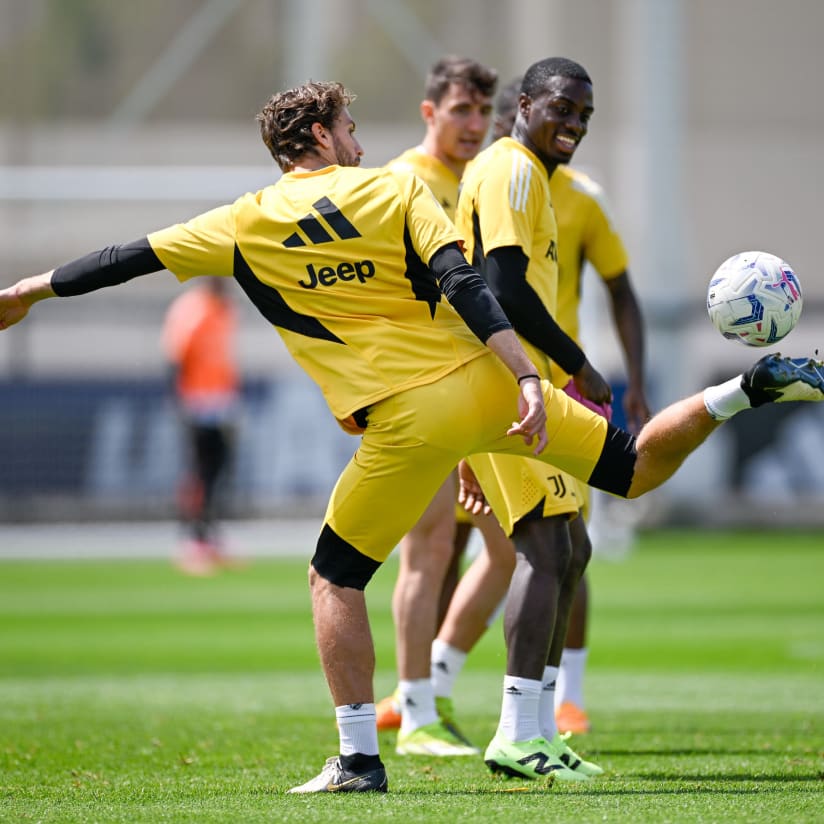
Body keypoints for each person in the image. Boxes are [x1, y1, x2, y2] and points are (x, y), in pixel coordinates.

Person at [1, 79, 821, 795]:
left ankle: (359, 758)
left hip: (404, 421)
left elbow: (125, 259)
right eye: (350, 129)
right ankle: (743, 389)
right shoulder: (393, 191)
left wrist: (29, 292)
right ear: (321, 136)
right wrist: (528, 376)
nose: (361, 142)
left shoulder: (242, 222)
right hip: (488, 387)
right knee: (634, 470)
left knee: (335, 576)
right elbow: (462, 282)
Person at [427, 74, 652, 741]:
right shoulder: (513, 170)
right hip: (510, 386)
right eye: (562, 107)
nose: (575, 122)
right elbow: (503, 287)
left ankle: (541, 732)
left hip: (521, 387)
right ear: (522, 108)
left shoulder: (536, 179)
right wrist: (579, 361)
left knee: (571, 547)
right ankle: (517, 733)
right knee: (547, 551)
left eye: (585, 112)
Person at [376, 56, 498, 757]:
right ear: (430, 112)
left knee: (517, 550)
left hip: (483, 388)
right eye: (461, 111)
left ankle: (434, 685)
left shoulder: (478, 182)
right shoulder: (400, 182)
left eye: (483, 112)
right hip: (421, 390)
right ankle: (416, 712)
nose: (475, 125)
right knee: (427, 549)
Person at [161, 276, 241, 575]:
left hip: (221, 400)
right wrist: (180, 402)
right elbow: (175, 358)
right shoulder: (192, 309)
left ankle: (209, 535)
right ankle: (191, 539)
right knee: (200, 470)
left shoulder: (224, 308)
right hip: (198, 401)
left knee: (218, 470)